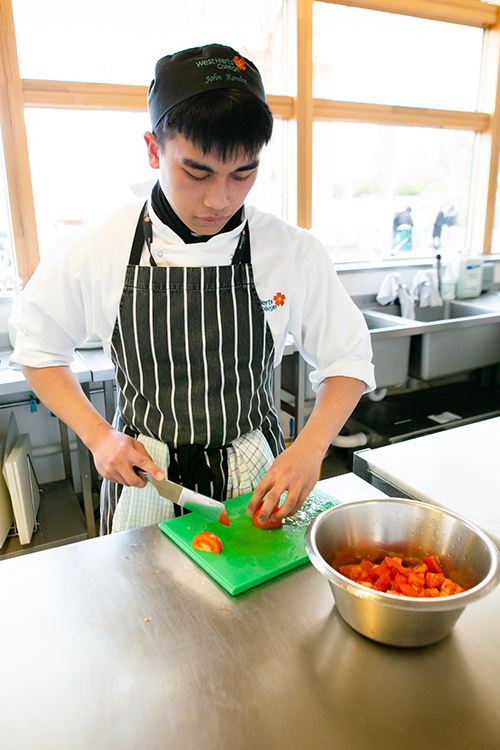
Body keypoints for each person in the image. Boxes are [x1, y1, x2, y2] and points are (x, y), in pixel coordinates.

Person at [12, 44, 375, 535]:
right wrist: (99, 436)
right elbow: (37, 347)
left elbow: (348, 360)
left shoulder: (291, 250)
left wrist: (309, 449)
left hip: (256, 478)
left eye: (243, 173)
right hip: (146, 479)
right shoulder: (97, 246)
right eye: (196, 171)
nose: (218, 198)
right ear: (153, 148)